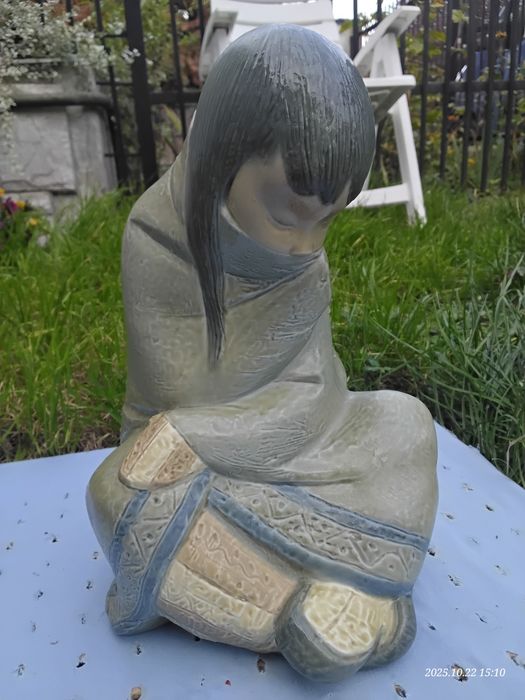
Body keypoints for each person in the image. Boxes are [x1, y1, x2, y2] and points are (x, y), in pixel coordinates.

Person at [87, 24, 438, 681]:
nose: (306, 247)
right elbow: (181, 398)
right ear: (221, 161)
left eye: (326, 221)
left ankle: (340, 598)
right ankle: (314, 609)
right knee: (117, 490)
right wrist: (217, 431)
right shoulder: (156, 241)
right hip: (186, 460)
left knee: (406, 425)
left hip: (280, 445)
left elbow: (317, 395)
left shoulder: (304, 263)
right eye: (285, 216)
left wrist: (246, 427)